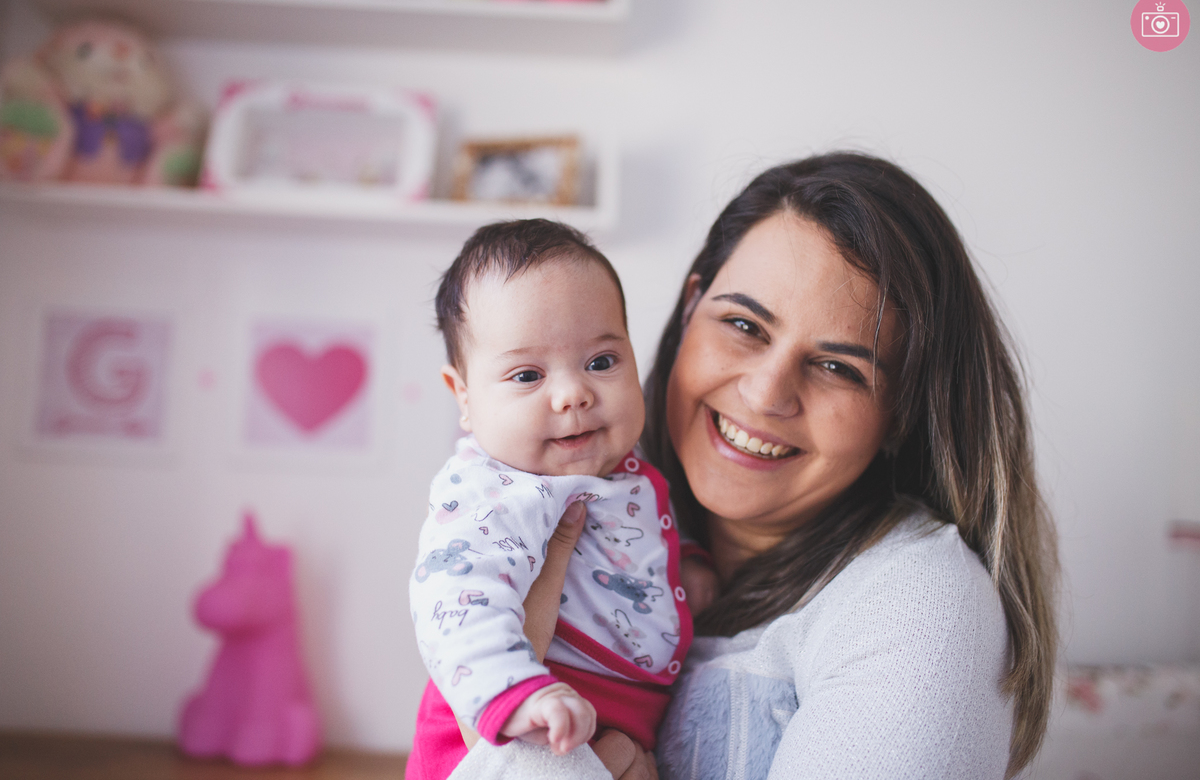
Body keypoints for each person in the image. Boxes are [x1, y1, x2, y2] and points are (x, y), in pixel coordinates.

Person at [503, 152, 1058, 780]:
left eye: (838, 368)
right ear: (692, 309)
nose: (766, 394)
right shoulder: (572, 512)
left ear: (903, 413)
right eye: (744, 324)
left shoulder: (919, 606)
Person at [407, 220, 717, 780]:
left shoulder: (623, 462)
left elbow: (631, 528)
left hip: (608, 718)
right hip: (510, 728)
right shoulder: (494, 490)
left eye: (601, 362)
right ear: (465, 397)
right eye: (527, 375)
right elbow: (455, 599)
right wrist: (518, 693)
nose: (574, 393)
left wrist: (686, 563)